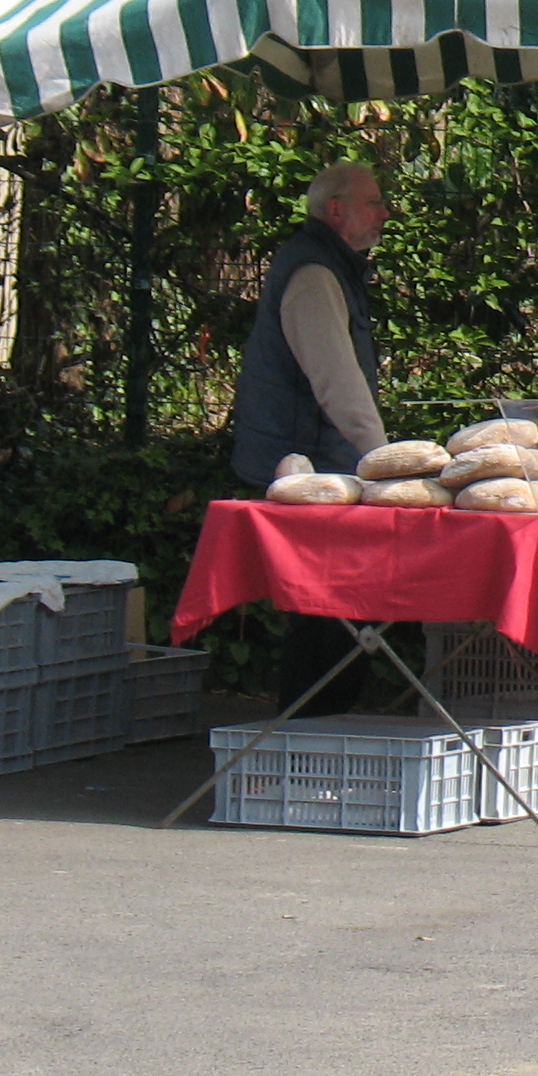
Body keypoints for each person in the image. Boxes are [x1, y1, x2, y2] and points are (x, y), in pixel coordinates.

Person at [229, 162, 391, 712]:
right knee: (325, 613)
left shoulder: (327, 266)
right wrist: (385, 459)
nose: (384, 212)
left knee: (330, 613)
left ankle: (319, 729)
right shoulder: (316, 274)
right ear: (336, 210)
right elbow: (337, 381)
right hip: (306, 472)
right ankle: (311, 732)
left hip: (315, 464)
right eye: (373, 202)